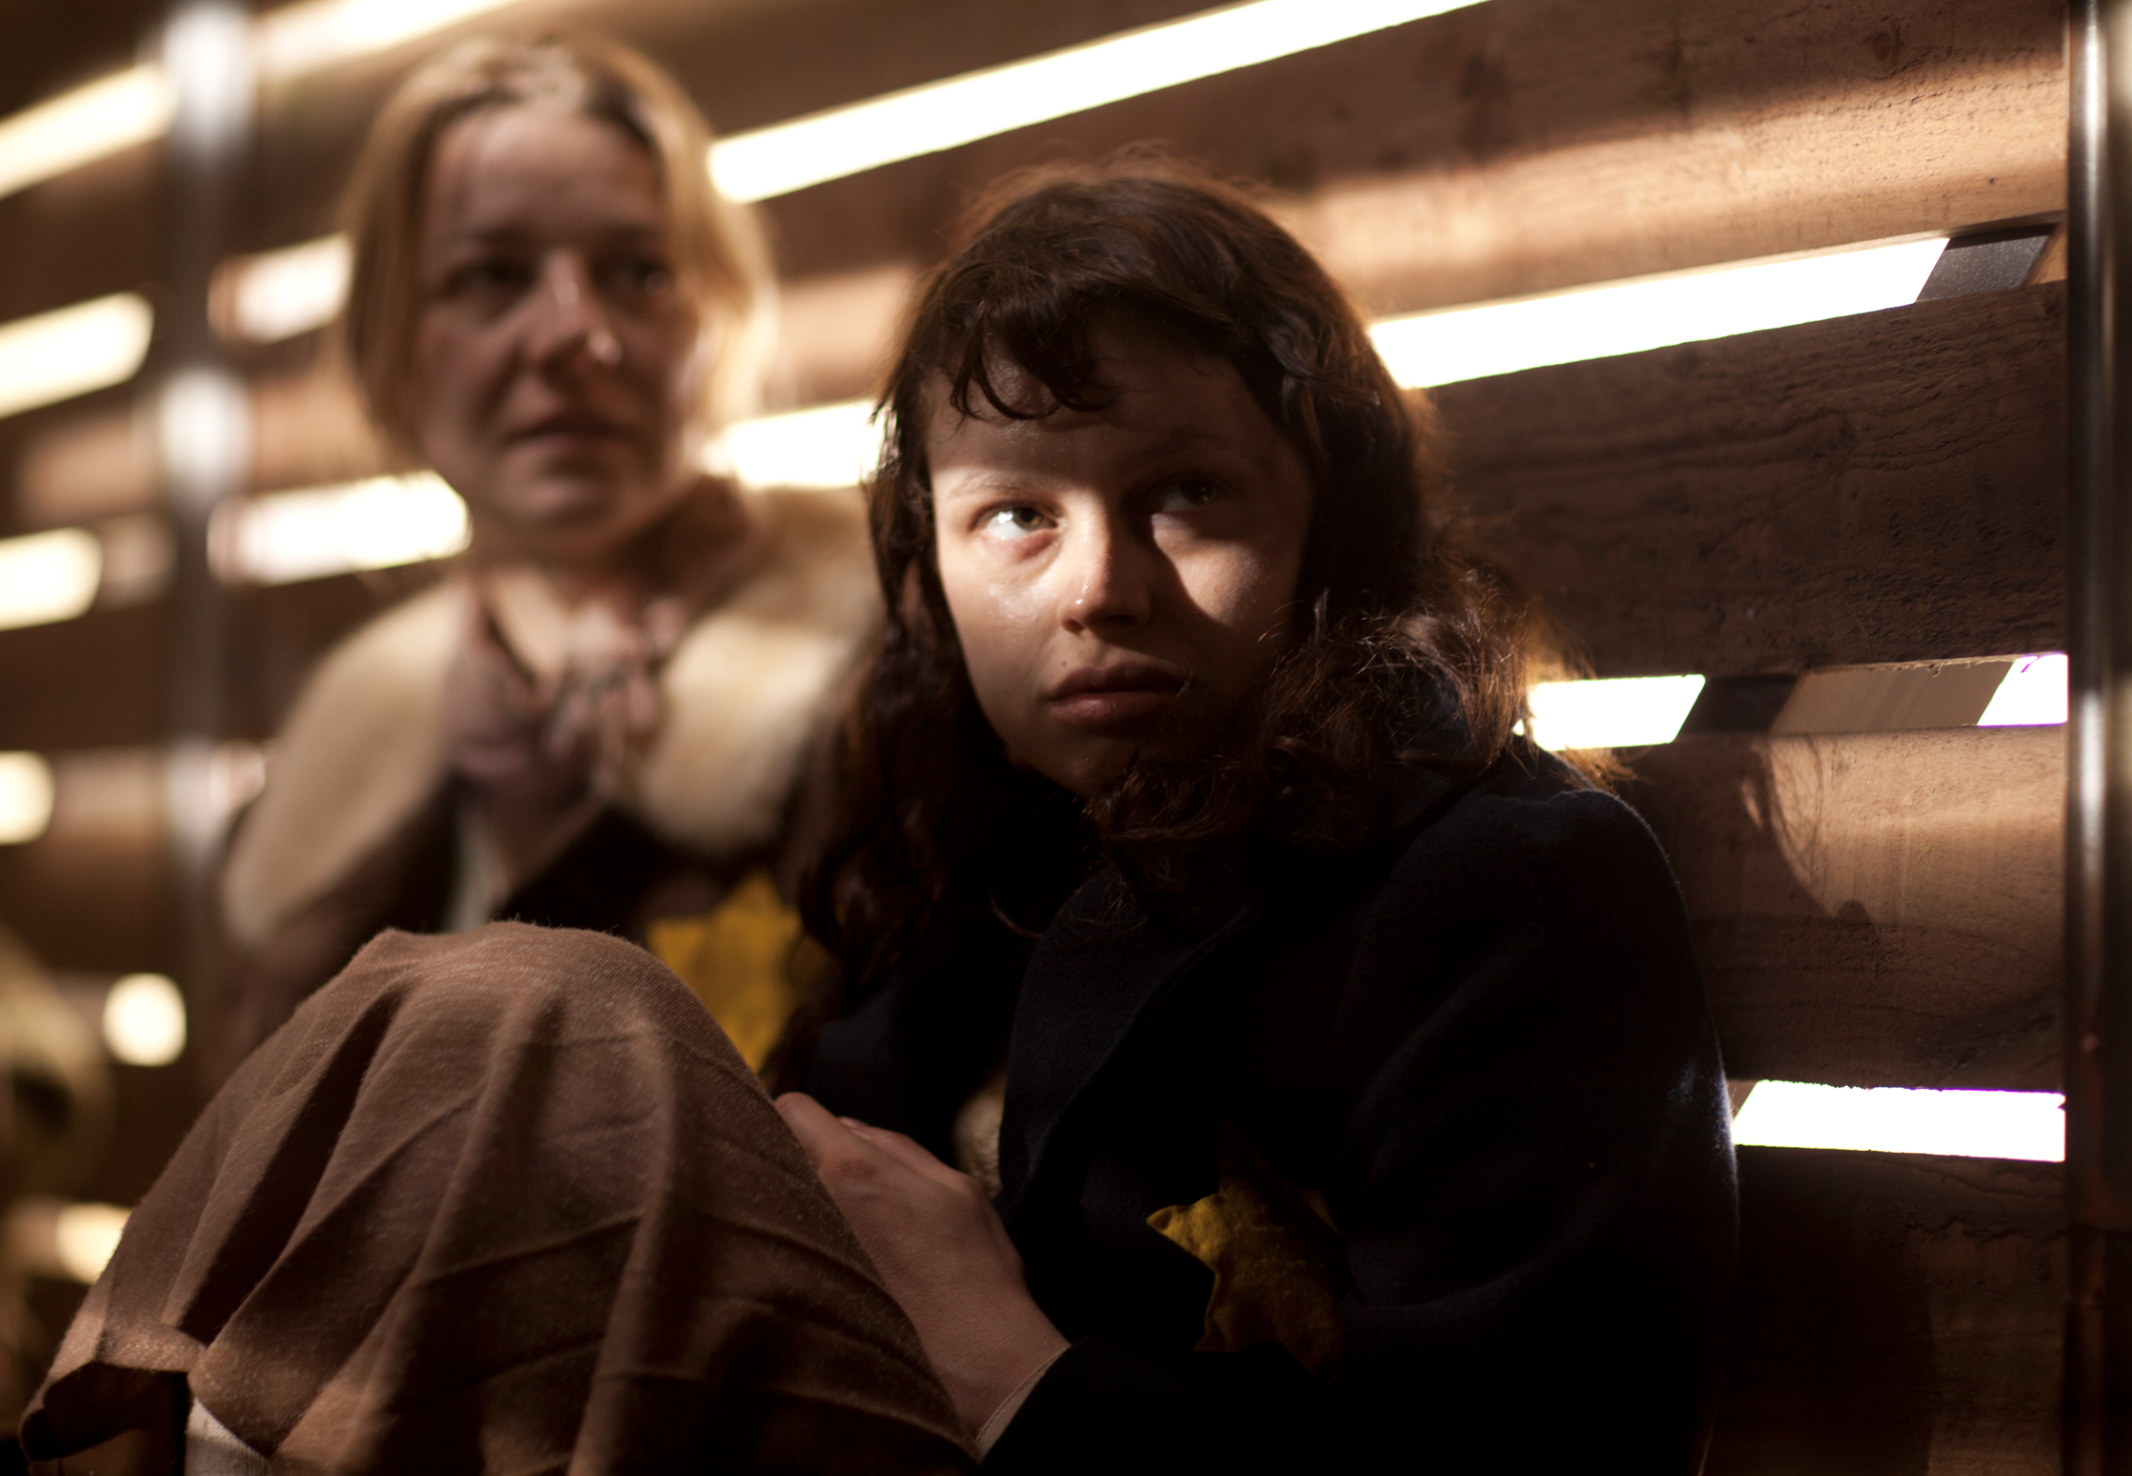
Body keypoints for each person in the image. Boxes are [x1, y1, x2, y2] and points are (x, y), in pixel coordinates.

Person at [21, 162, 1734, 1473]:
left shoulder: (1506, 891)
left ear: (1327, 541)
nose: (1098, 587)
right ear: (923, 573)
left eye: (1186, 497)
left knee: (543, 1008)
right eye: (1015, 517)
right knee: (482, 1003)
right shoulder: (972, 850)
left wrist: (1016, 1374)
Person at [201, 33, 876, 1092]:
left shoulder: (880, 659)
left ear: (715, 315)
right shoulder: (325, 781)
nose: (574, 335)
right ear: (390, 345)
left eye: (638, 273)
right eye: (492, 276)